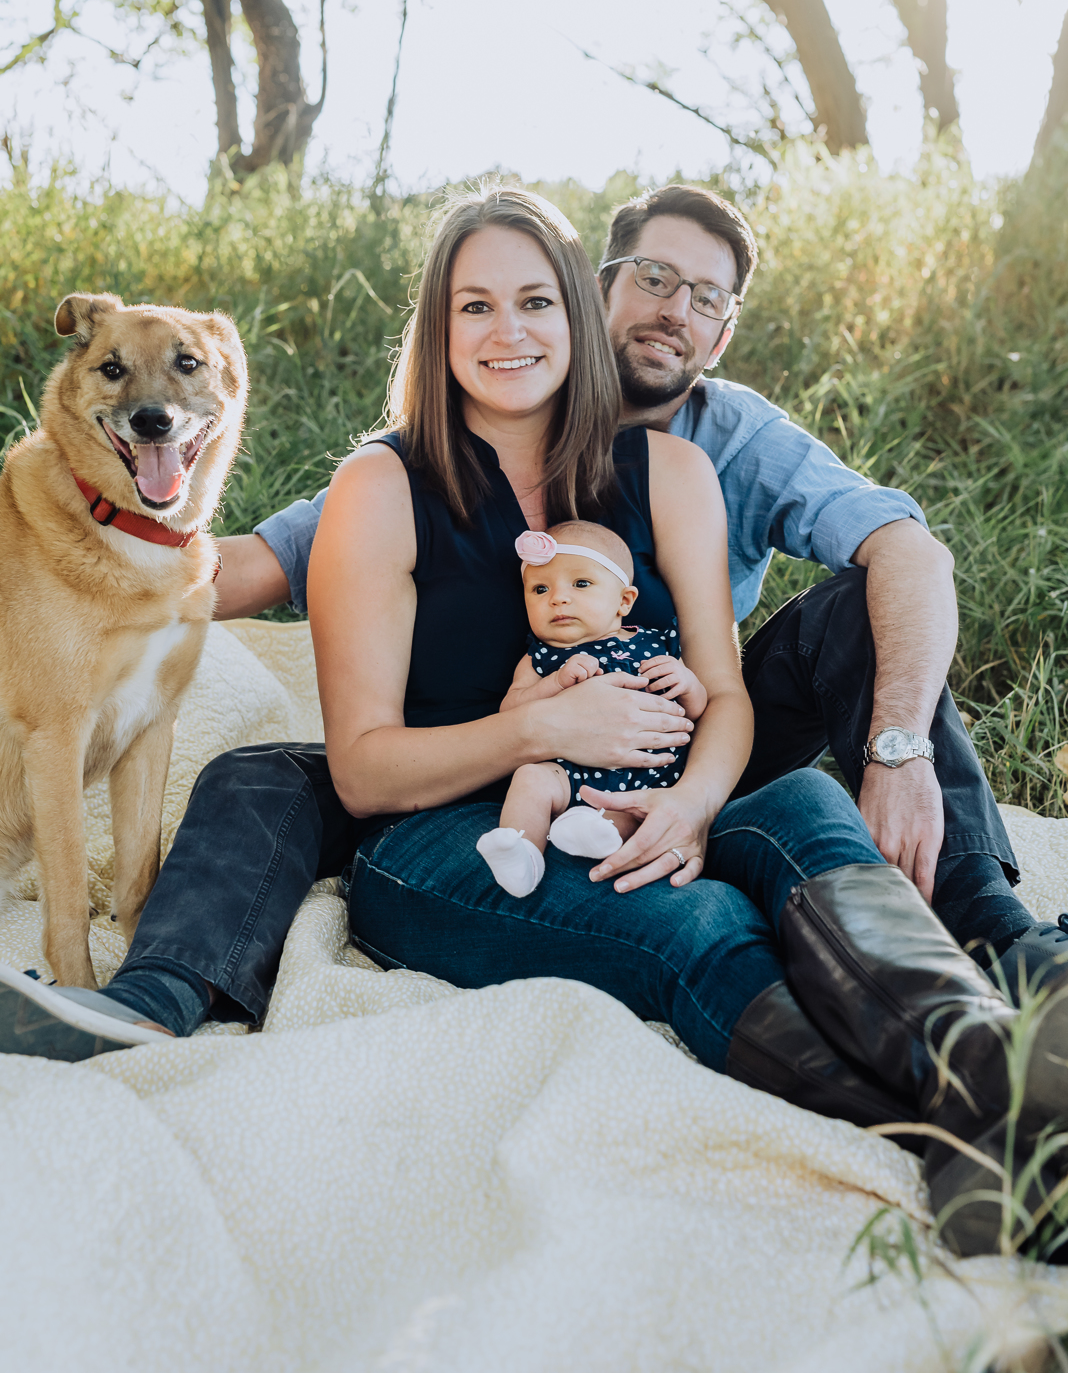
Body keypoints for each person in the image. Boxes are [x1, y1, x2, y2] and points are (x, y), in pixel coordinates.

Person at [3, 186, 1064, 1261]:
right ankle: (953, 1146)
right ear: (441, 326)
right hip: (446, 827)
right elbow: (348, 747)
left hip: (662, 782)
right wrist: (543, 731)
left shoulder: (686, 460)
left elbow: (731, 684)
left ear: (575, 319)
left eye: (533, 303)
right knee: (693, 924)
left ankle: (1017, 1083)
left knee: (802, 801)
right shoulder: (382, 482)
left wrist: (696, 805)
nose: (508, 332)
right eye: (474, 307)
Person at [210, 183, 1066, 992]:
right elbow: (266, 561)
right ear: (596, 287)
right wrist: (100, 555)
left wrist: (898, 751)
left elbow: (910, 553)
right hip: (526, 737)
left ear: (723, 334)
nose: (674, 312)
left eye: (706, 299)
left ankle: (997, 935)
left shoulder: (721, 442)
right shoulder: (471, 419)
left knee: (853, 610)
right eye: (655, 278)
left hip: (687, 718)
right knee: (271, 777)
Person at [475, 521, 707, 897]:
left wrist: (688, 683)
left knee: (633, 816)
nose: (558, 599)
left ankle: (592, 832)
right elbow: (511, 710)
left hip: (645, 779)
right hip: (566, 776)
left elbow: (693, 712)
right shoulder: (542, 658)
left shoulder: (655, 645)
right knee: (530, 780)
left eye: (580, 584)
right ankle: (521, 852)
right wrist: (555, 683)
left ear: (624, 601)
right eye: (540, 589)